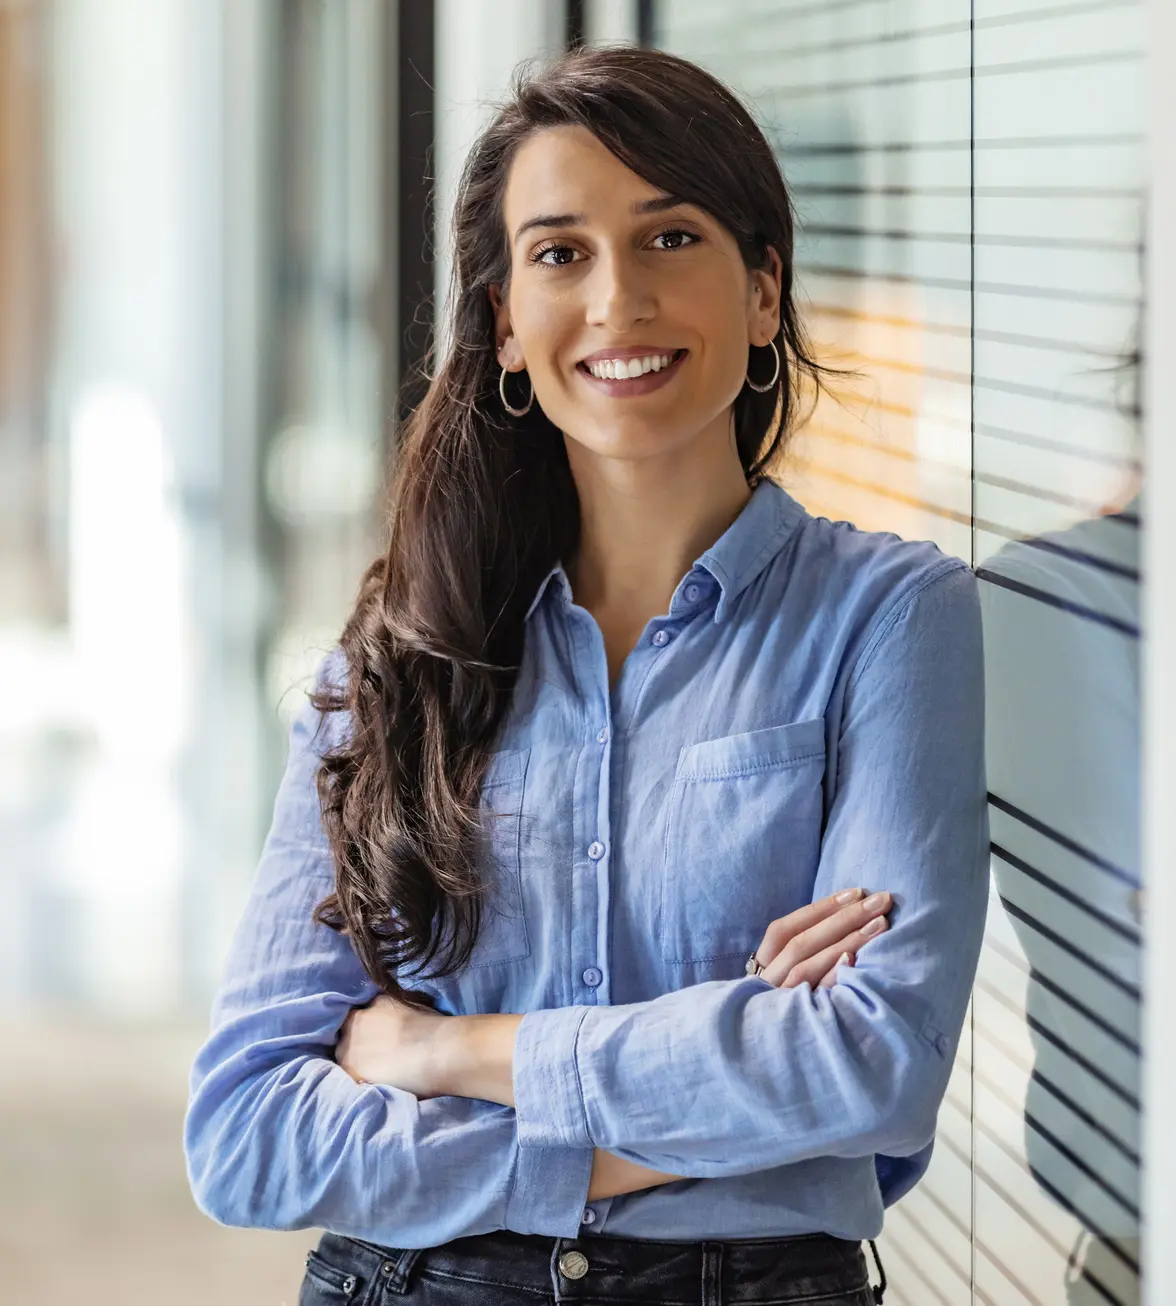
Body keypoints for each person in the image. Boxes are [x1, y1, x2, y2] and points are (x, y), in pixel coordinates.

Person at [183, 44, 989, 1306]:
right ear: (504, 320)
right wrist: (715, 1102)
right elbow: (244, 1134)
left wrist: (449, 1049)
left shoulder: (890, 617)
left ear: (765, 290)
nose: (618, 302)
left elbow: (871, 1062)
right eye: (560, 253)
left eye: (670, 239)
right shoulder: (397, 661)